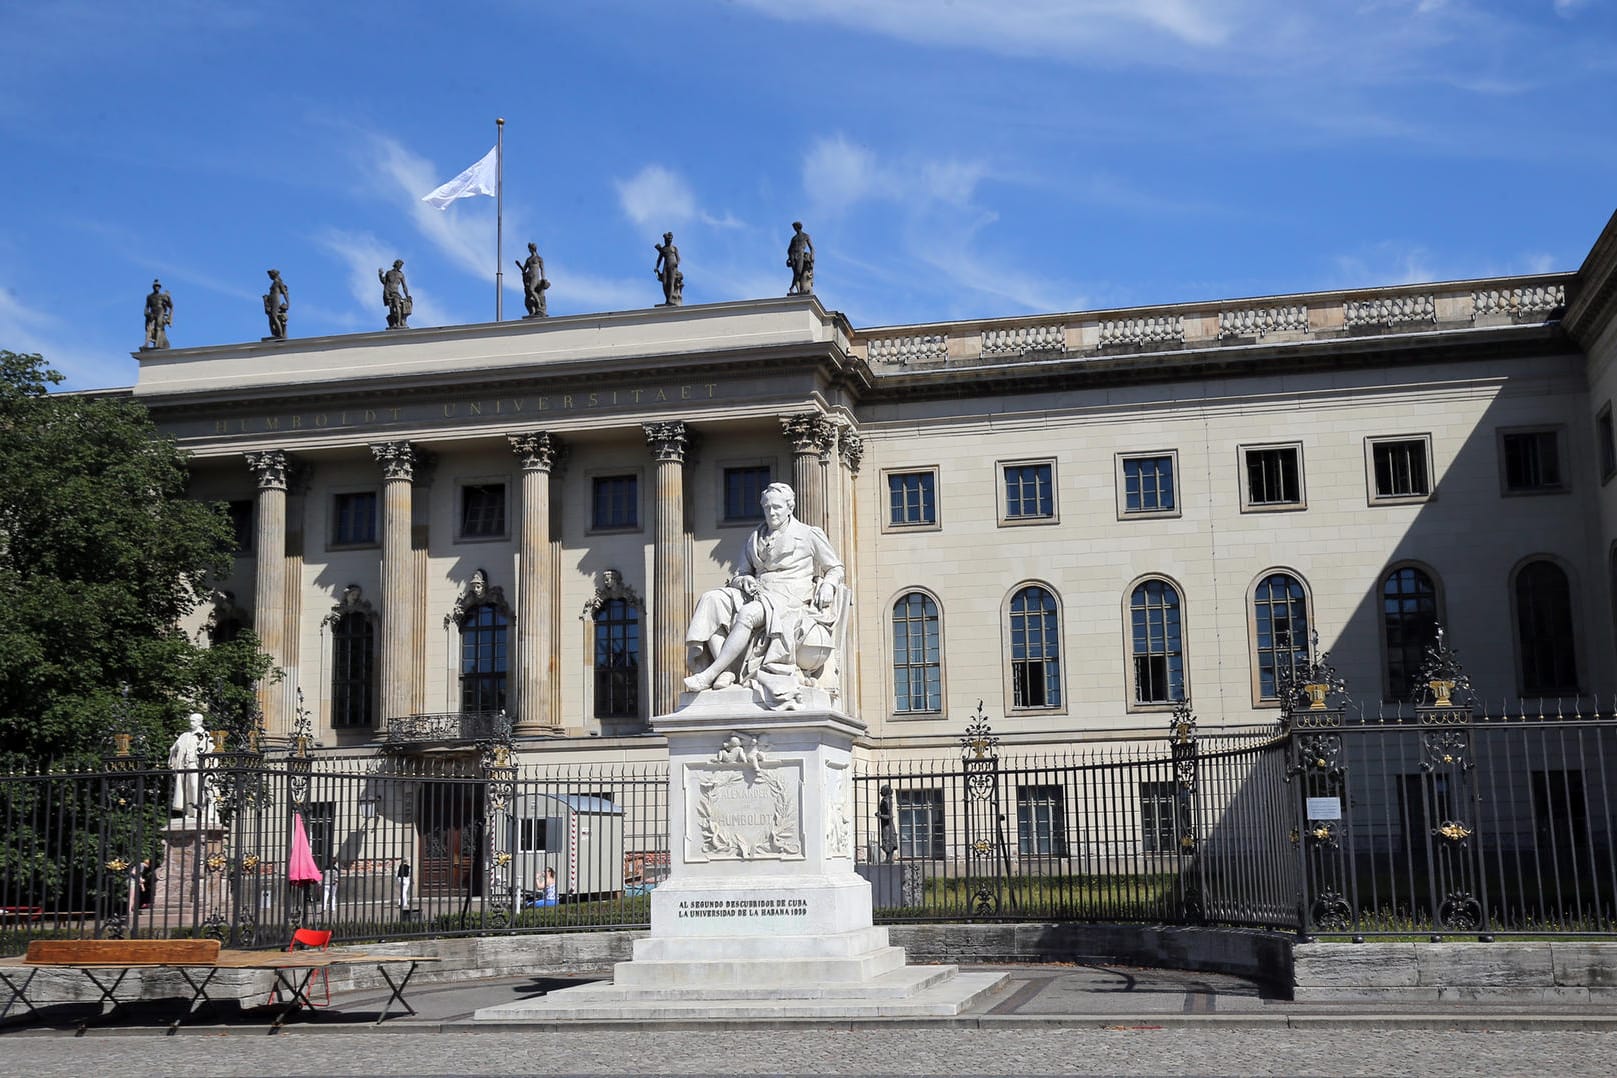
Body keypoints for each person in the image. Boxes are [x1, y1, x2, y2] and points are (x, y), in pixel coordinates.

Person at [683, 482, 844, 708]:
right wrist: (745, 580)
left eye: (777, 507)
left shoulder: (808, 534)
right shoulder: (755, 537)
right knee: (711, 599)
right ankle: (726, 671)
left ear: (790, 507)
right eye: (767, 508)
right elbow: (740, 573)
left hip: (789, 597)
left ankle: (711, 673)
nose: (772, 512)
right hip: (757, 591)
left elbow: (835, 568)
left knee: (748, 614)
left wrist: (829, 585)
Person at [168, 713, 209, 823]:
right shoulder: (185, 735)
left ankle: (199, 811)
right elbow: (173, 748)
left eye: (193, 721)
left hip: (196, 765)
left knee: (196, 786)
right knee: (187, 788)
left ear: (200, 722)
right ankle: (190, 812)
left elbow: (209, 751)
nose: (191, 723)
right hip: (185, 765)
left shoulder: (205, 735)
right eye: (190, 721)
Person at [516, 242, 549, 318]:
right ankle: (534, 309)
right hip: (529, 277)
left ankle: (539, 303)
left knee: (531, 290)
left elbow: (542, 269)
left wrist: (543, 278)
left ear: (532, 249)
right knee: (529, 292)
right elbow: (524, 269)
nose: (529, 250)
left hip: (535, 276)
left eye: (530, 248)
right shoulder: (528, 259)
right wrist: (520, 266)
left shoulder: (539, 258)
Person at [379, 259, 411, 329]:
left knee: (397, 306)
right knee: (391, 308)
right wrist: (380, 275)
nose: (400, 266)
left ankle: (399, 323)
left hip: (396, 293)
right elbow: (384, 281)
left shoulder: (401, 275)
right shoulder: (389, 273)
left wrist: (407, 295)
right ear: (396, 264)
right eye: (400, 264)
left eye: (401, 265)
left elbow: (404, 286)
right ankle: (394, 324)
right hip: (387, 292)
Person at [653, 231, 682, 306]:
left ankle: (669, 299)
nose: (668, 241)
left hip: (672, 266)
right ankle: (667, 299)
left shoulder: (674, 248)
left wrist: (677, 263)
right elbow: (659, 260)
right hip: (665, 266)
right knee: (664, 283)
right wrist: (656, 267)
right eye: (666, 240)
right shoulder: (663, 249)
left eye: (669, 240)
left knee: (671, 282)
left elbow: (678, 258)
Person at [143, 279, 173, 349]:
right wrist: (146, 313)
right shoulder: (149, 296)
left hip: (160, 312)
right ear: (153, 287)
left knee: (158, 327)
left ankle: (157, 344)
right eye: (155, 286)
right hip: (152, 312)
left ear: (160, 287)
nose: (157, 287)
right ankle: (146, 344)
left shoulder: (162, 296)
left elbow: (171, 306)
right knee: (149, 328)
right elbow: (147, 306)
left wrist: (168, 297)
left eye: (158, 286)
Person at [786, 221, 814, 296]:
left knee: (798, 272)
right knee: (796, 273)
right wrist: (789, 258)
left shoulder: (806, 236)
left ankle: (791, 287)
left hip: (800, 254)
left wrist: (812, 256)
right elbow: (789, 249)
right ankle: (798, 291)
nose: (794, 229)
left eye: (794, 227)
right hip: (793, 255)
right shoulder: (794, 238)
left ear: (798, 227)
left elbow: (811, 248)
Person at [263, 269, 289, 339]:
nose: (269, 276)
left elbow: (285, 293)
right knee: (271, 317)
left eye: (270, 274)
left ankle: (280, 334)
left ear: (274, 274)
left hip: (275, 300)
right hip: (271, 300)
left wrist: (287, 303)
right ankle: (274, 334)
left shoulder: (278, 282)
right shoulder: (274, 282)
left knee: (274, 316)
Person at [876, 786, 898, 862]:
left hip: (888, 826)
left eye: (881, 790)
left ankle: (889, 858)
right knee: (885, 840)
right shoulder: (884, 800)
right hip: (885, 825)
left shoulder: (887, 801)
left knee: (888, 841)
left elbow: (890, 816)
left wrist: (880, 815)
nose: (880, 792)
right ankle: (888, 858)